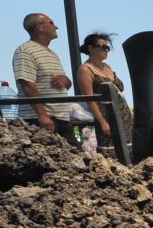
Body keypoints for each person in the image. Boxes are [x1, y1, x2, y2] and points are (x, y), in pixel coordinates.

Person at [11, 12, 88, 150]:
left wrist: (66, 80)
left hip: (61, 118)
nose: (56, 27)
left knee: (76, 157)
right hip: (39, 119)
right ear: (40, 27)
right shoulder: (25, 51)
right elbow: (27, 84)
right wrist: (43, 115)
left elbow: (67, 85)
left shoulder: (52, 54)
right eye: (51, 23)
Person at [72, 31, 122, 155]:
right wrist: (103, 122)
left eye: (107, 47)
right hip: (103, 115)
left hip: (121, 113)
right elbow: (89, 98)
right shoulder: (85, 69)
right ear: (90, 48)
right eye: (102, 47)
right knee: (108, 153)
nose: (106, 50)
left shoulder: (107, 67)